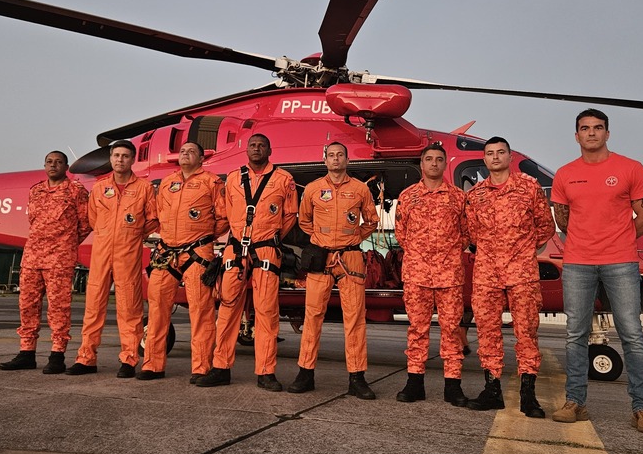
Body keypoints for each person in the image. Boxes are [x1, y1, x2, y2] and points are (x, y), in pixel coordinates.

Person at [550, 108, 643, 434]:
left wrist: (618, 239)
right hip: (578, 263)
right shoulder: (564, 174)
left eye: (598, 128)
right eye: (585, 128)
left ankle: (642, 410)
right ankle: (575, 403)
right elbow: (563, 220)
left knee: (632, 334)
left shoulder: (631, 168)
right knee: (575, 334)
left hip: (621, 261)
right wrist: (588, 241)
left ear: (607, 134)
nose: (591, 133)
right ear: (576, 136)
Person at [197, 134, 298, 391]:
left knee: (266, 312)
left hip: (266, 251)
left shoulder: (284, 179)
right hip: (235, 249)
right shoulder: (233, 178)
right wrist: (242, 236)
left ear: (270, 150)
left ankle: (266, 372)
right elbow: (228, 212)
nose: (256, 149)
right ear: (246, 150)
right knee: (228, 309)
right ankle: (221, 368)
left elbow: (289, 216)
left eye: (261, 145)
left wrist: (269, 239)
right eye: (252, 145)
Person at [464, 137, 555, 417]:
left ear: (509, 156)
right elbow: (470, 233)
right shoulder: (476, 194)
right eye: (490, 153)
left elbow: (545, 226)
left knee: (526, 332)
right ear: (485, 158)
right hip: (486, 274)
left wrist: (523, 248)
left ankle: (529, 395)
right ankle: (492, 390)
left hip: (521, 273)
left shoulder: (529, 187)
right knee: (487, 332)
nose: (495, 157)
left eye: (500, 152)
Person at [287, 142, 379, 399]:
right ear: (325, 160)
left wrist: (353, 239)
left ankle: (357, 377)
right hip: (321, 259)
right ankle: (305, 372)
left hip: (350, 259)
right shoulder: (314, 189)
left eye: (340, 155)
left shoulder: (360, 189)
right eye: (331, 155)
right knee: (312, 316)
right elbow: (303, 220)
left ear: (347, 160)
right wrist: (320, 239)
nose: (335, 159)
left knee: (355, 319)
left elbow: (372, 220)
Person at [66, 139, 158, 378]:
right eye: (116, 156)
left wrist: (133, 233)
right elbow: (93, 219)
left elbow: (153, 219)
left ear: (133, 160)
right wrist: (110, 233)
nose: (120, 160)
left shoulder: (144, 188)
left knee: (130, 309)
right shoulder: (99, 188)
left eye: (125, 156)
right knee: (93, 307)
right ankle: (86, 358)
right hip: (102, 252)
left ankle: (129, 359)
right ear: (111, 158)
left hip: (128, 254)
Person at [140, 142, 227, 383]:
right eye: (183, 151)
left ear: (201, 158)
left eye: (191, 151)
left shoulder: (212, 182)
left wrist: (204, 236)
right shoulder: (167, 183)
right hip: (166, 253)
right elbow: (157, 216)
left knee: (201, 311)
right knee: (157, 309)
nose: (185, 154)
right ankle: (152, 365)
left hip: (197, 253)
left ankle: (201, 367)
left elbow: (223, 218)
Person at [0, 151, 91, 374]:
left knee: (59, 309)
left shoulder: (76, 191)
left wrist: (65, 242)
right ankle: (26, 353)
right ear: (44, 165)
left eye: (58, 162)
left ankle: (57, 355)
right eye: (49, 162)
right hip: (32, 257)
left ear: (66, 166)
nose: (53, 165)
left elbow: (86, 224)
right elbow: (33, 221)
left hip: (59, 259)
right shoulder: (36, 190)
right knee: (27, 306)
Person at [394, 142, 471, 406]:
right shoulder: (407, 196)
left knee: (452, 330)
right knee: (417, 330)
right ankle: (415, 383)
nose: (434, 164)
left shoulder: (458, 197)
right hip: (417, 275)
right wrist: (423, 256)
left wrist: (444, 255)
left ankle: (453, 385)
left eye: (439, 159)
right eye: (429, 159)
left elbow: (466, 234)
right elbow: (401, 234)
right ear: (422, 164)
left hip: (449, 275)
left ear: (445, 163)